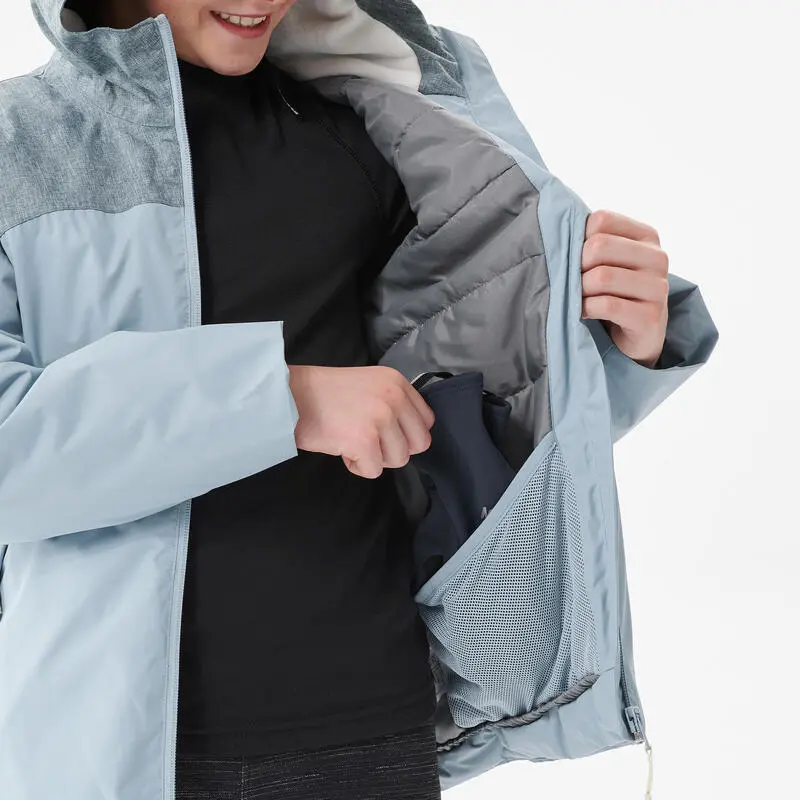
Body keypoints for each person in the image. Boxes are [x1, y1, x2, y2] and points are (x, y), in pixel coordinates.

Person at [0, 1, 719, 798]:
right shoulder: (17, 144)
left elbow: (480, 428)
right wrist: (282, 397)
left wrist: (614, 347)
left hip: (372, 731)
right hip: (114, 751)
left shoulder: (379, 125)